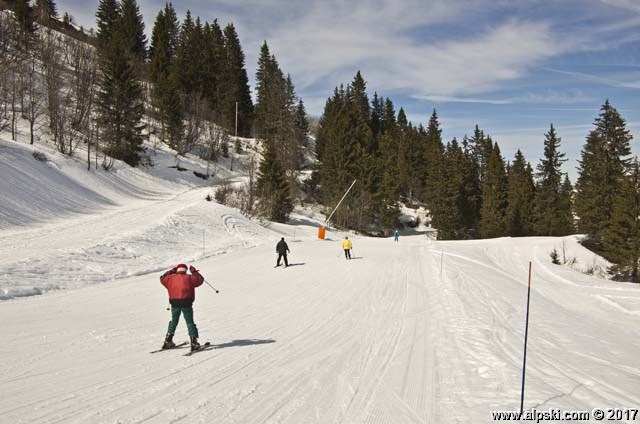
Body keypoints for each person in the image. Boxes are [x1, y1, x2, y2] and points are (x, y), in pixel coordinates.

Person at [160, 263, 204, 351]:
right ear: (185, 270)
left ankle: (168, 340)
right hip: (186, 302)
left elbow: (162, 278)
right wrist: (194, 272)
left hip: (174, 303)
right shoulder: (190, 278)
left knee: (174, 321)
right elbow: (200, 280)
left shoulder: (170, 278)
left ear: (177, 270)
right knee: (189, 322)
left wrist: (172, 270)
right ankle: (194, 342)